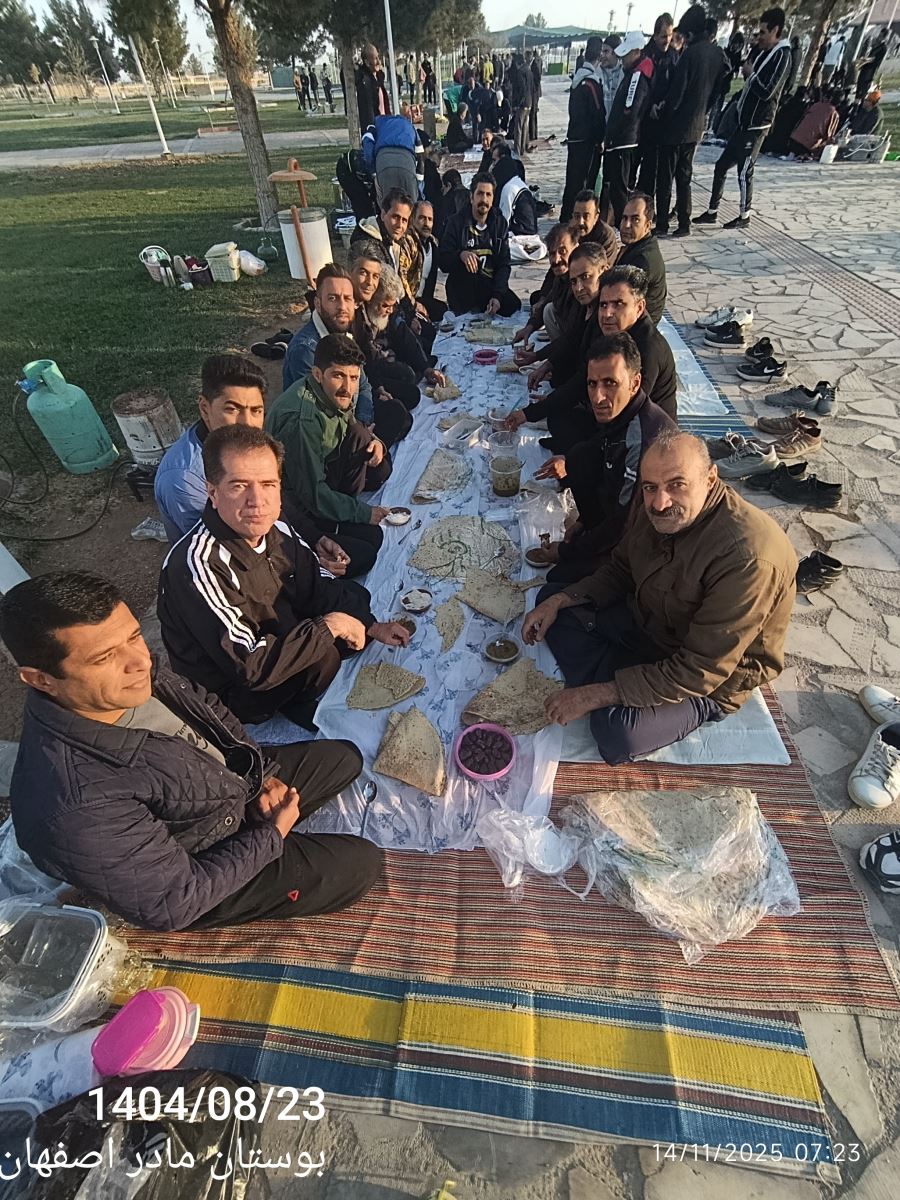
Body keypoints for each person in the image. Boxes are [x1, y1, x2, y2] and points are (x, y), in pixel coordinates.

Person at [0, 573, 383, 932]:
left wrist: (263, 775)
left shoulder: (132, 678)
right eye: (104, 658)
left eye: (134, 636)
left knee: (345, 758)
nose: (140, 661)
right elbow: (175, 900)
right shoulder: (75, 805)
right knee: (363, 866)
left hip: (223, 789)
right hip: (203, 858)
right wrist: (269, 836)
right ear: (40, 679)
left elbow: (208, 709)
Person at [522, 430, 797, 764]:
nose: (659, 502)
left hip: (706, 678)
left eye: (677, 485)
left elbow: (700, 670)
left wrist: (597, 694)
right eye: (650, 487)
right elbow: (620, 570)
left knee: (616, 733)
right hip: (648, 625)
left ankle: (630, 686)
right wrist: (560, 601)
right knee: (551, 601)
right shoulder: (653, 505)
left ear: (710, 479)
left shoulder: (747, 558)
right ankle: (630, 680)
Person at [159, 423, 409, 729]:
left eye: (268, 484)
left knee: (356, 601)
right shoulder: (198, 567)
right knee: (322, 657)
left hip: (270, 629)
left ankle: (310, 660)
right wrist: (329, 627)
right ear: (213, 492)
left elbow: (317, 584)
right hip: (233, 685)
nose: (257, 500)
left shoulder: (275, 526)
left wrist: (372, 625)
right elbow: (248, 666)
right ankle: (291, 702)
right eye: (239, 486)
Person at [153, 354, 364, 578]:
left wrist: (315, 538)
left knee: (365, 550)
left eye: (256, 411)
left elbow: (277, 504)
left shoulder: (250, 446)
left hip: (271, 540)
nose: (247, 423)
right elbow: (229, 553)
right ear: (205, 408)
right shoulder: (184, 479)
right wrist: (309, 565)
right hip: (238, 575)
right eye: (232, 409)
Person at [528, 334, 675, 583]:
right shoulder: (624, 413)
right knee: (579, 455)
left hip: (648, 545)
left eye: (610, 383)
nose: (597, 397)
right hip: (623, 520)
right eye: (592, 384)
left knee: (556, 584)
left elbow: (622, 525)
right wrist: (583, 523)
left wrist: (566, 552)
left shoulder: (643, 443)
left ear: (635, 383)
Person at [266, 334, 396, 578]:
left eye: (353, 378)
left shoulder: (329, 394)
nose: (347, 387)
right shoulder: (301, 421)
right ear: (318, 374)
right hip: (293, 506)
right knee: (367, 550)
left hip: (323, 471)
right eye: (338, 376)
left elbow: (350, 423)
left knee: (366, 441)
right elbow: (312, 495)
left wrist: (376, 442)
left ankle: (340, 513)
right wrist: (363, 513)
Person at [512, 262, 676, 446]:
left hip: (646, 438)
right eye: (603, 304)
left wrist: (576, 457)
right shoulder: (608, 327)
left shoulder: (649, 349)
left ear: (639, 307)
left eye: (618, 304)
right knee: (559, 416)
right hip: (612, 414)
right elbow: (580, 374)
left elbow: (626, 416)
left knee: (575, 438)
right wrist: (529, 413)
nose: (607, 313)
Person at [693, 8, 792, 231]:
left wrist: (751, 76)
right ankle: (712, 211)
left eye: (764, 32)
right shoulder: (765, 52)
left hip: (758, 124)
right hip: (744, 122)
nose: (760, 37)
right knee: (721, 166)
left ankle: (744, 215)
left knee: (745, 169)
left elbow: (768, 91)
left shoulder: (783, 56)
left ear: (775, 30)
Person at [655, 4, 730, 237]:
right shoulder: (717, 54)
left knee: (665, 178)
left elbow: (677, 94)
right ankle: (684, 223)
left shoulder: (690, 55)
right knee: (684, 177)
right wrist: (705, 110)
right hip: (697, 126)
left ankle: (662, 223)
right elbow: (721, 88)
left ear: (689, 33)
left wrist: (663, 110)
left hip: (675, 128)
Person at [514, 241, 608, 398]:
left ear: (604, 270)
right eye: (574, 281)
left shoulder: (607, 315)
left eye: (586, 277)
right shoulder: (586, 303)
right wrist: (542, 361)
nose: (579, 288)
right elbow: (572, 339)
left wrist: (550, 403)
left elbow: (589, 372)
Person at [439, 172, 521, 317]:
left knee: (513, 305)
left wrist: (497, 295)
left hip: (488, 285)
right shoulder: (456, 222)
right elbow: (443, 261)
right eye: (480, 194)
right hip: (463, 286)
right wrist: (460, 255)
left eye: (488, 195)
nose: (484, 199)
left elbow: (504, 264)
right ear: (472, 197)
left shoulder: (499, 223)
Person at [604, 32, 656, 225]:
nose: (623, 59)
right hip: (620, 141)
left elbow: (630, 111)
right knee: (614, 187)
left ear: (636, 52)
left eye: (626, 55)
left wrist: (613, 135)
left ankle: (623, 224)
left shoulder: (637, 77)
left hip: (624, 142)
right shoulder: (631, 74)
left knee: (620, 189)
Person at [349, 187, 423, 314]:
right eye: (395, 217)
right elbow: (387, 292)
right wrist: (410, 314)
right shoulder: (366, 245)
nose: (400, 225)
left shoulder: (392, 240)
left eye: (404, 220)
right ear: (383, 214)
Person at [513, 221, 581, 345]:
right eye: (552, 253)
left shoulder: (580, 282)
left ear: (576, 249)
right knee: (547, 309)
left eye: (562, 251)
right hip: (570, 337)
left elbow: (573, 334)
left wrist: (539, 355)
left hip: (584, 342)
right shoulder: (561, 277)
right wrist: (529, 328)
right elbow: (548, 300)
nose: (556, 260)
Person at [637, 13, 678, 198]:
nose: (666, 40)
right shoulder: (647, 56)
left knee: (655, 169)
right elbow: (642, 87)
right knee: (640, 164)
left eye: (669, 35)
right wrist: (651, 105)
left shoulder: (674, 56)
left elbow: (677, 85)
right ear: (655, 36)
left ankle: (648, 201)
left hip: (664, 121)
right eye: (663, 36)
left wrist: (666, 103)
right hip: (645, 120)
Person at [617, 193, 667, 325]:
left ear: (648, 225)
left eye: (635, 220)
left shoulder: (643, 260)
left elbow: (620, 299)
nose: (627, 225)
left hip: (638, 327)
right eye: (624, 218)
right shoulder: (637, 246)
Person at [411, 199, 447, 322]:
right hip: (407, 302)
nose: (426, 223)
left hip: (424, 300)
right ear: (412, 219)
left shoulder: (434, 245)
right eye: (422, 218)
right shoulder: (406, 243)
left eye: (430, 219)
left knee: (445, 312)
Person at [787, 88, 839, 159]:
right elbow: (829, 134)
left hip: (794, 140)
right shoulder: (834, 113)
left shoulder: (815, 105)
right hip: (808, 146)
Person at [571, 189, 619, 264]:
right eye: (577, 216)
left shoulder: (606, 236)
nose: (581, 222)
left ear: (596, 217)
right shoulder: (568, 232)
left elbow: (604, 267)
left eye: (586, 216)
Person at [357, 43, 390, 136]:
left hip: (384, 125)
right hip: (375, 130)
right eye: (375, 58)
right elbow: (368, 112)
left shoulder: (378, 78)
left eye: (378, 57)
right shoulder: (365, 81)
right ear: (367, 62)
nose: (379, 61)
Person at [436, 167, 470, 239]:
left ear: (449, 185)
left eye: (444, 187)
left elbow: (442, 223)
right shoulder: (472, 196)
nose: (442, 191)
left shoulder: (447, 199)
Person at [509, 52, 532, 157]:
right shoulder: (529, 70)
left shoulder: (520, 72)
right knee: (525, 127)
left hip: (522, 104)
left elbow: (521, 89)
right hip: (529, 102)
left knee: (518, 128)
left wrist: (518, 103)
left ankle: (517, 150)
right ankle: (522, 149)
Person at [856, 28, 888, 100]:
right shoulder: (875, 44)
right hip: (866, 66)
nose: (879, 37)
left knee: (864, 87)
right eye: (879, 35)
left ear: (884, 38)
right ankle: (856, 101)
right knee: (859, 84)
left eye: (881, 36)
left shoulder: (883, 48)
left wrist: (866, 59)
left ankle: (861, 102)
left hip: (871, 70)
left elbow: (876, 59)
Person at [529, 50, 542, 143]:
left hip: (534, 93)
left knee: (533, 113)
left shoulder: (535, 64)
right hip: (534, 93)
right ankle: (533, 133)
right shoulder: (536, 62)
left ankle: (533, 134)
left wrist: (534, 88)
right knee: (533, 114)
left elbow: (538, 78)